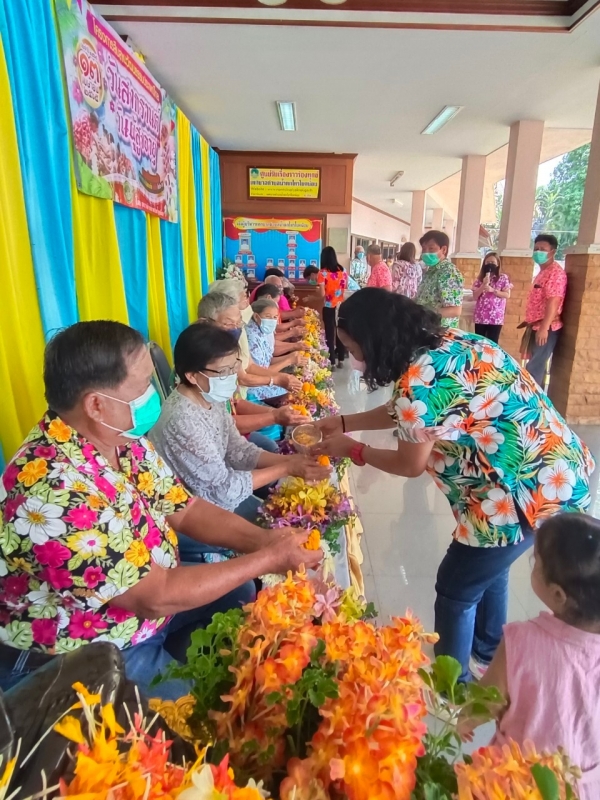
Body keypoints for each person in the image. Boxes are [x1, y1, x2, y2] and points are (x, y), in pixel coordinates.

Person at [0, 321, 321, 699]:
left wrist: (266, 541)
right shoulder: (50, 492)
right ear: (96, 405)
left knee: (240, 595)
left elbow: (185, 509)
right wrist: (267, 558)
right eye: (142, 387)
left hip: (149, 601)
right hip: (92, 645)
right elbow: (153, 595)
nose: (153, 394)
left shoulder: (121, 440)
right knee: (197, 714)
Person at [312, 289, 593, 682]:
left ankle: (452, 684)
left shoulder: (416, 388)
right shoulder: (450, 341)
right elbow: (406, 411)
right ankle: (487, 651)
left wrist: (353, 449)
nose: (355, 360)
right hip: (556, 466)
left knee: (456, 589)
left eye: (355, 350)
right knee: (490, 570)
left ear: (376, 341)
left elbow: (410, 464)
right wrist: (345, 422)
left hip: (518, 494)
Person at [464, 513, 600, 799]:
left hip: (513, 781)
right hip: (582, 787)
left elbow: (486, 700)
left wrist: (465, 720)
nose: (532, 564)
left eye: (536, 562)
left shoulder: (522, 641)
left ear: (558, 594)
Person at [150, 323, 329, 525]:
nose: (232, 377)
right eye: (223, 371)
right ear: (192, 376)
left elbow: (237, 449)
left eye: (233, 367)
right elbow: (222, 490)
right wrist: (286, 468)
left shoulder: (210, 396)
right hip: (194, 512)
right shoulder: (181, 421)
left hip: (220, 489)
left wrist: (291, 461)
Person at [198, 293, 302, 400]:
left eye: (239, 322)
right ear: (205, 322)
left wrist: (280, 377)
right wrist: (276, 379)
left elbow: (249, 367)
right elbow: (243, 379)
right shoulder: (202, 351)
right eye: (228, 323)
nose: (235, 328)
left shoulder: (231, 345)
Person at [521, 234, 567, 388]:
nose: (538, 252)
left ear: (552, 252)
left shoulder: (555, 273)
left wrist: (544, 328)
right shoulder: (543, 272)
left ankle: (533, 399)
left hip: (546, 328)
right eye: (536, 249)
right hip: (536, 326)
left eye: (542, 249)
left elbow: (553, 301)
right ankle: (532, 396)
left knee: (535, 366)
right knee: (533, 364)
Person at [245, 297, 300, 403]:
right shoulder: (251, 335)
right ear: (256, 316)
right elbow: (260, 372)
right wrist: (288, 361)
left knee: (298, 382)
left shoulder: (265, 330)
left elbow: (268, 358)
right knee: (294, 393)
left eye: (275, 317)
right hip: (255, 385)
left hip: (268, 377)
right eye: (268, 316)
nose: (272, 321)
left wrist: (291, 357)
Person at [416, 230, 464, 327]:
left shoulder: (448, 273)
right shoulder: (431, 271)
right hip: (425, 326)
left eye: (431, 248)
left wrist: (426, 313)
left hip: (439, 330)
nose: (426, 253)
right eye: (424, 249)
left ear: (443, 250)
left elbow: (455, 310)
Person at [318, 245, 348, 369]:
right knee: (340, 332)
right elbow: (345, 288)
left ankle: (332, 363)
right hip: (341, 306)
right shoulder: (343, 270)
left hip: (328, 307)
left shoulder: (322, 273)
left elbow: (322, 294)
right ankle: (341, 359)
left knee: (329, 334)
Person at [472, 252, 512, 343]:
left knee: (492, 343)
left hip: (495, 317)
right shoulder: (480, 279)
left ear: (498, 264)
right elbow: (474, 296)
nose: (490, 264)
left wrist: (493, 290)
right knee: (479, 342)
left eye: (493, 262)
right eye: (488, 262)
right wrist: (483, 285)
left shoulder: (503, 278)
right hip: (481, 316)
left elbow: (507, 295)